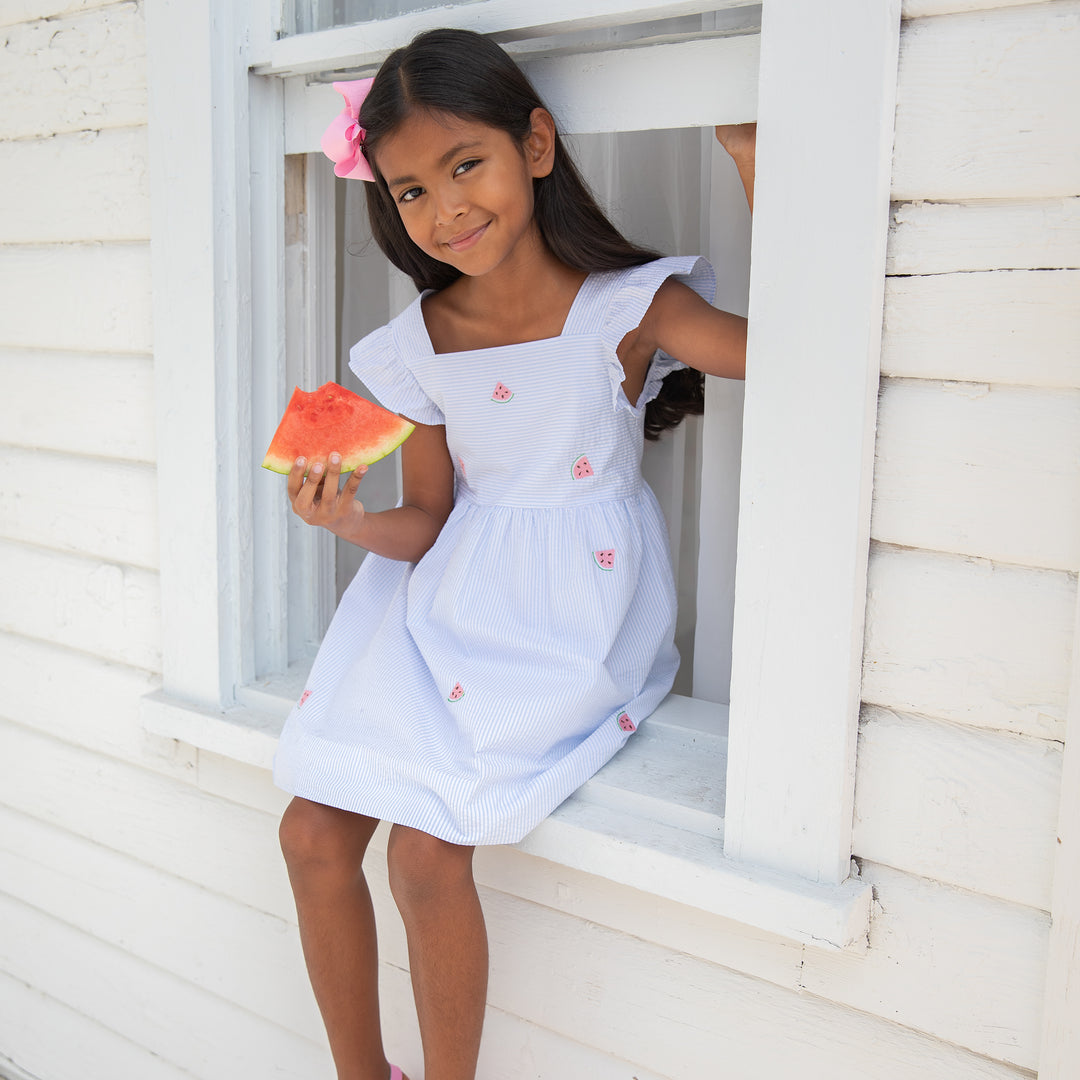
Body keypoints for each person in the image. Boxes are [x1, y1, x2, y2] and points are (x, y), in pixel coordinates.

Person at [273, 27, 755, 1080]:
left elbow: (780, 352)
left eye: (464, 165)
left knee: (427, 851)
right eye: (408, 191)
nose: (445, 210)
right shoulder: (415, 343)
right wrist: (348, 520)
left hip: (569, 620)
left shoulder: (628, 307)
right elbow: (430, 518)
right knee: (310, 837)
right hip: (435, 602)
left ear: (535, 146)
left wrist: (765, 172)